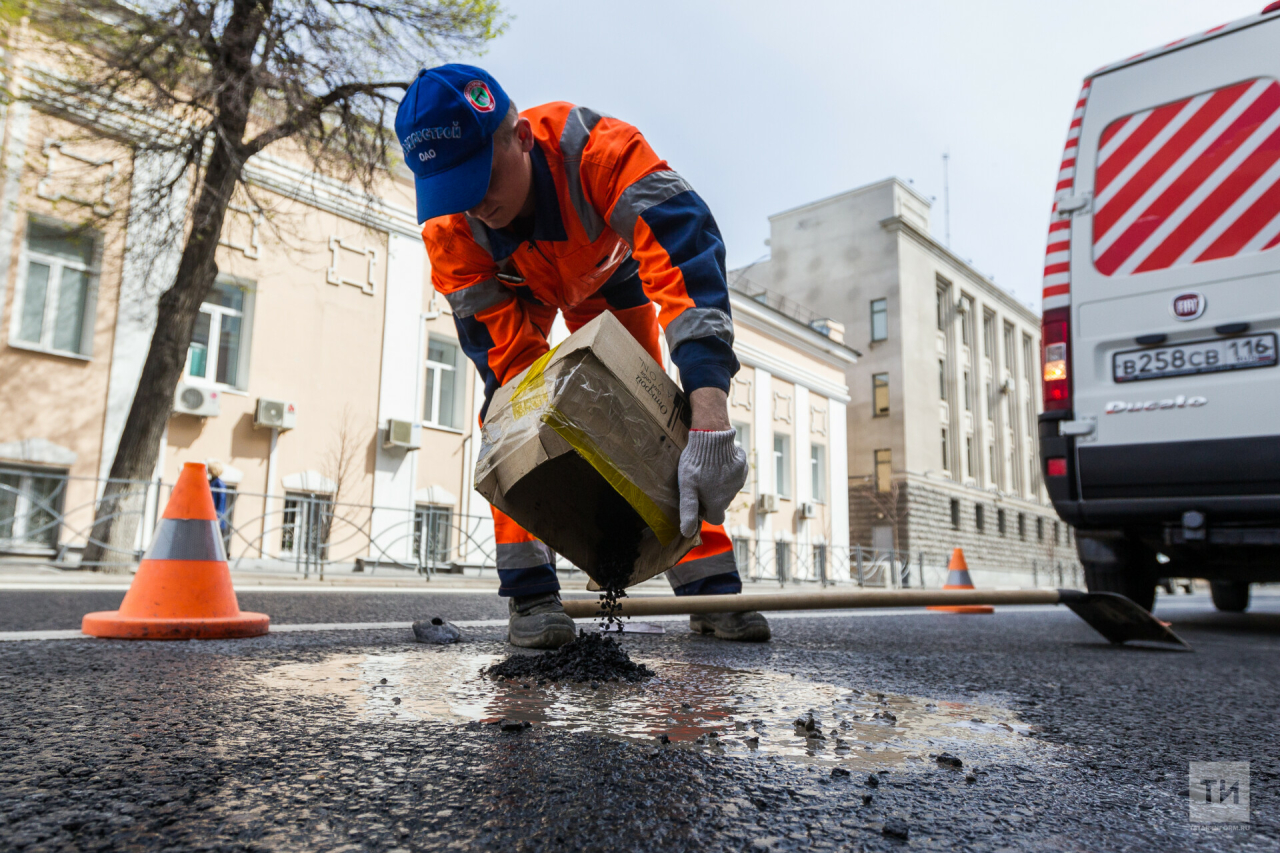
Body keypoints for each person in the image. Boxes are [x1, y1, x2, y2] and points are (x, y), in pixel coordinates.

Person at [395, 65, 769, 649]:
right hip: (520, 289)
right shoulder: (451, 230)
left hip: (607, 274)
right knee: (514, 415)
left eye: (480, 177)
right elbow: (504, 354)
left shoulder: (599, 154)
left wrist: (710, 414)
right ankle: (530, 593)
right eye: (452, 187)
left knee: (651, 410)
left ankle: (710, 588)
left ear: (520, 137)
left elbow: (686, 258)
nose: (473, 204)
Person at [207, 460, 229, 539]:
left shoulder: (219, 483)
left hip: (217, 519)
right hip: (210, 517)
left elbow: (221, 502)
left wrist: (218, 518)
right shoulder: (211, 482)